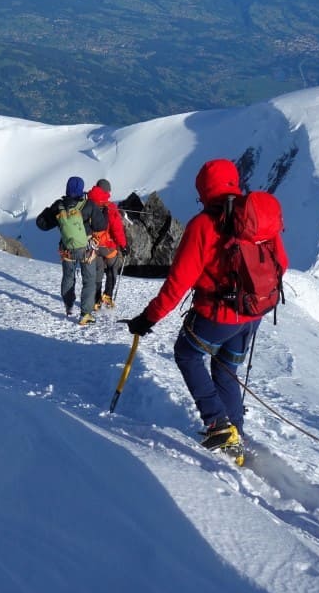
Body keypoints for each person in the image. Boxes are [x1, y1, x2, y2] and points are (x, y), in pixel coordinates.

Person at [123, 159, 288, 463]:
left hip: (216, 316)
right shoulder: (258, 217)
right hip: (253, 314)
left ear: (203, 189)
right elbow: (282, 263)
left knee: (187, 354)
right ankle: (235, 431)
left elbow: (178, 283)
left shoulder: (204, 225)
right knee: (226, 370)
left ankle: (219, 425)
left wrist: (148, 319)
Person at [36, 175, 100, 325]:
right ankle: (85, 314)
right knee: (89, 280)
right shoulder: (88, 204)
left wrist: (51, 212)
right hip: (87, 249)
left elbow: (42, 224)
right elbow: (101, 225)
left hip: (67, 249)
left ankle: (68, 305)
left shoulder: (59, 205)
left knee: (68, 277)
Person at [87, 179, 127, 310]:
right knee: (113, 266)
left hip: (92, 245)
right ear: (107, 190)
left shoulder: (87, 203)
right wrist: (123, 245)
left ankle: (96, 300)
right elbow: (117, 229)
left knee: (98, 272)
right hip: (107, 245)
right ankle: (108, 295)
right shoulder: (109, 206)